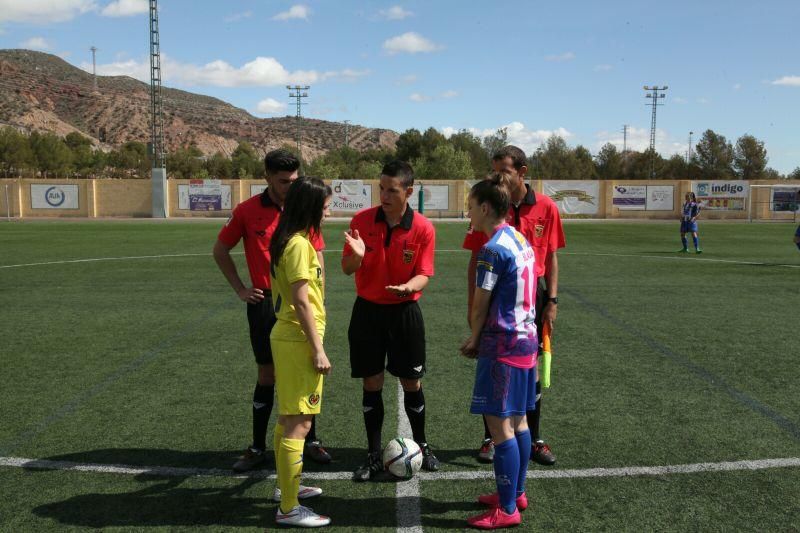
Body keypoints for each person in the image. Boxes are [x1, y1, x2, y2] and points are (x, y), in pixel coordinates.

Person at [213, 149, 332, 473]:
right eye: (283, 181)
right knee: (268, 374)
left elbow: (318, 255)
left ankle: (311, 440)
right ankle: (256, 446)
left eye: (294, 180)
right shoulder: (247, 211)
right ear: (266, 177)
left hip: (303, 305)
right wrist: (240, 288)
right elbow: (220, 248)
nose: (289, 186)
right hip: (266, 302)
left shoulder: (304, 209)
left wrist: (321, 295)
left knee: (310, 370)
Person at [464, 145, 565, 466]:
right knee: (506, 374)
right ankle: (492, 438)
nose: (498, 176)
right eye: (495, 170)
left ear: (522, 171)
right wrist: (473, 310)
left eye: (504, 170)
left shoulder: (544, 208)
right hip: (498, 302)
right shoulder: (495, 218)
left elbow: (550, 256)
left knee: (527, 375)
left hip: (523, 306)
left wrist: (552, 300)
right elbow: (474, 261)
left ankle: (531, 438)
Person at [341, 160, 440, 481]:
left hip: (405, 314)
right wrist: (355, 255)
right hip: (367, 312)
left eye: (392, 190)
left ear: (408, 192)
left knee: (412, 382)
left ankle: (422, 445)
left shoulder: (423, 228)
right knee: (372, 382)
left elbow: (424, 273)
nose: (383, 195)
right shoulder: (361, 221)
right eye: (381, 188)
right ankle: (372, 453)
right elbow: (346, 268)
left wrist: (408, 288)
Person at [460, 173, 537, 529]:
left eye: (471, 206)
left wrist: (474, 338)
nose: (468, 213)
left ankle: (507, 510)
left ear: (486, 207)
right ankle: (516, 493)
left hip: (502, 344)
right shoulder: (520, 239)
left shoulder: (491, 250)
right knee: (519, 420)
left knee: (498, 426)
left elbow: (480, 303)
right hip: (527, 342)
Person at [269, 177, 332, 527]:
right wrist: (318, 348)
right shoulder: (297, 245)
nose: (327, 212)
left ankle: (285, 489)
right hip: (297, 340)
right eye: (324, 207)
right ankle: (289, 509)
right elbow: (300, 301)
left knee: (288, 418)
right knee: (301, 422)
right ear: (310, 208)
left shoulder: (293, 240)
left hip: (292, 338)